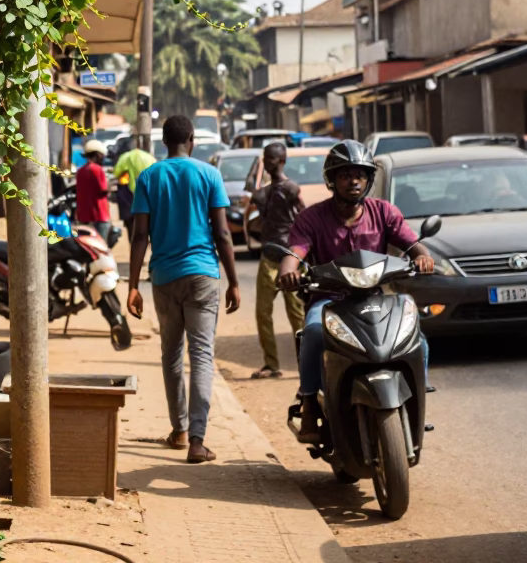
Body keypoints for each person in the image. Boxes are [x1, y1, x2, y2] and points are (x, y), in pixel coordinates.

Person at [278, 140, 435, 443]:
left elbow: (412, 243)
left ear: (368, 180)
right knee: (311, 332)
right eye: (346, 175)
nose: (354, 181)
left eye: (360, 175)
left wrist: (421, 257)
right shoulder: (312, 218)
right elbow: (294, 252)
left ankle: (417, 402)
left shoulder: (384, 212)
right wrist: (288, 271)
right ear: (332, 180)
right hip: (329, 301)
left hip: (375, 299)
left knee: (419, 341)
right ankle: (309, 403)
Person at [127, 115, 240, 464]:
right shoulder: (209, 174)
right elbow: (222, 234)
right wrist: (234, 280)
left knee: (171, 354)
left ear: (164, 142)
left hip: (163, 277)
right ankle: (197, 440)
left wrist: (132, 285)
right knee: (202, 355)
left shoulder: (149, 177)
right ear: (191, 139)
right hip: (203, 275)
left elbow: (139, 235)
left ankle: (177, 430)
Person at [249, 143, 306, 379]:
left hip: (289, 259)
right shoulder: (264, 192)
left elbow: (304, 220)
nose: (267, 162)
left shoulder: (291, 189)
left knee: (297, 313)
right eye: (265, 158)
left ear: (282, 161)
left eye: (271, 158)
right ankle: (271, 364)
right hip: (268, 258)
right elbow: (254, 203)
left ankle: (306, 363)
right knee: (263, 312)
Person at [114, 145, 157, 241]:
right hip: (147, 196)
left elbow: (117, 173)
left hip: (128, 197)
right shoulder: (149, 158)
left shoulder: (124, 158)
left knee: (132, 227)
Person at [76, 140, 111, 240]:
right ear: (97, 154)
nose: (103, 157)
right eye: (101, 155)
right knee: (101, 245)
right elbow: (102, 189)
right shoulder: (98, 169)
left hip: (83, 216)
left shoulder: (80, 171)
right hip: (99, 215)